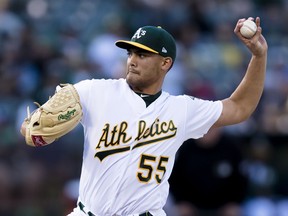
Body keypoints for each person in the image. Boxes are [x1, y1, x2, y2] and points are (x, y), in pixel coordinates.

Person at [20, 17, 268, 216]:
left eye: (143, 55)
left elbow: (240, 108)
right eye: (130, 53)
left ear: (166, 63)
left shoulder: (180, 109)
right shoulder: (94, 91)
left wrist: (259, 56)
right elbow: (35, 131)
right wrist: (35, 132)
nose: (132, 61)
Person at [169, 128, 248, 216]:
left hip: (224, 206)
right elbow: (174, 178)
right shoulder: (185, 148)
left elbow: (241, 179)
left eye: (212, 128)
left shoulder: (232, 147)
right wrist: (180, 201)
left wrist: (235, 202)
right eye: (205, 128)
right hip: (190, 205)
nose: (207, 132)